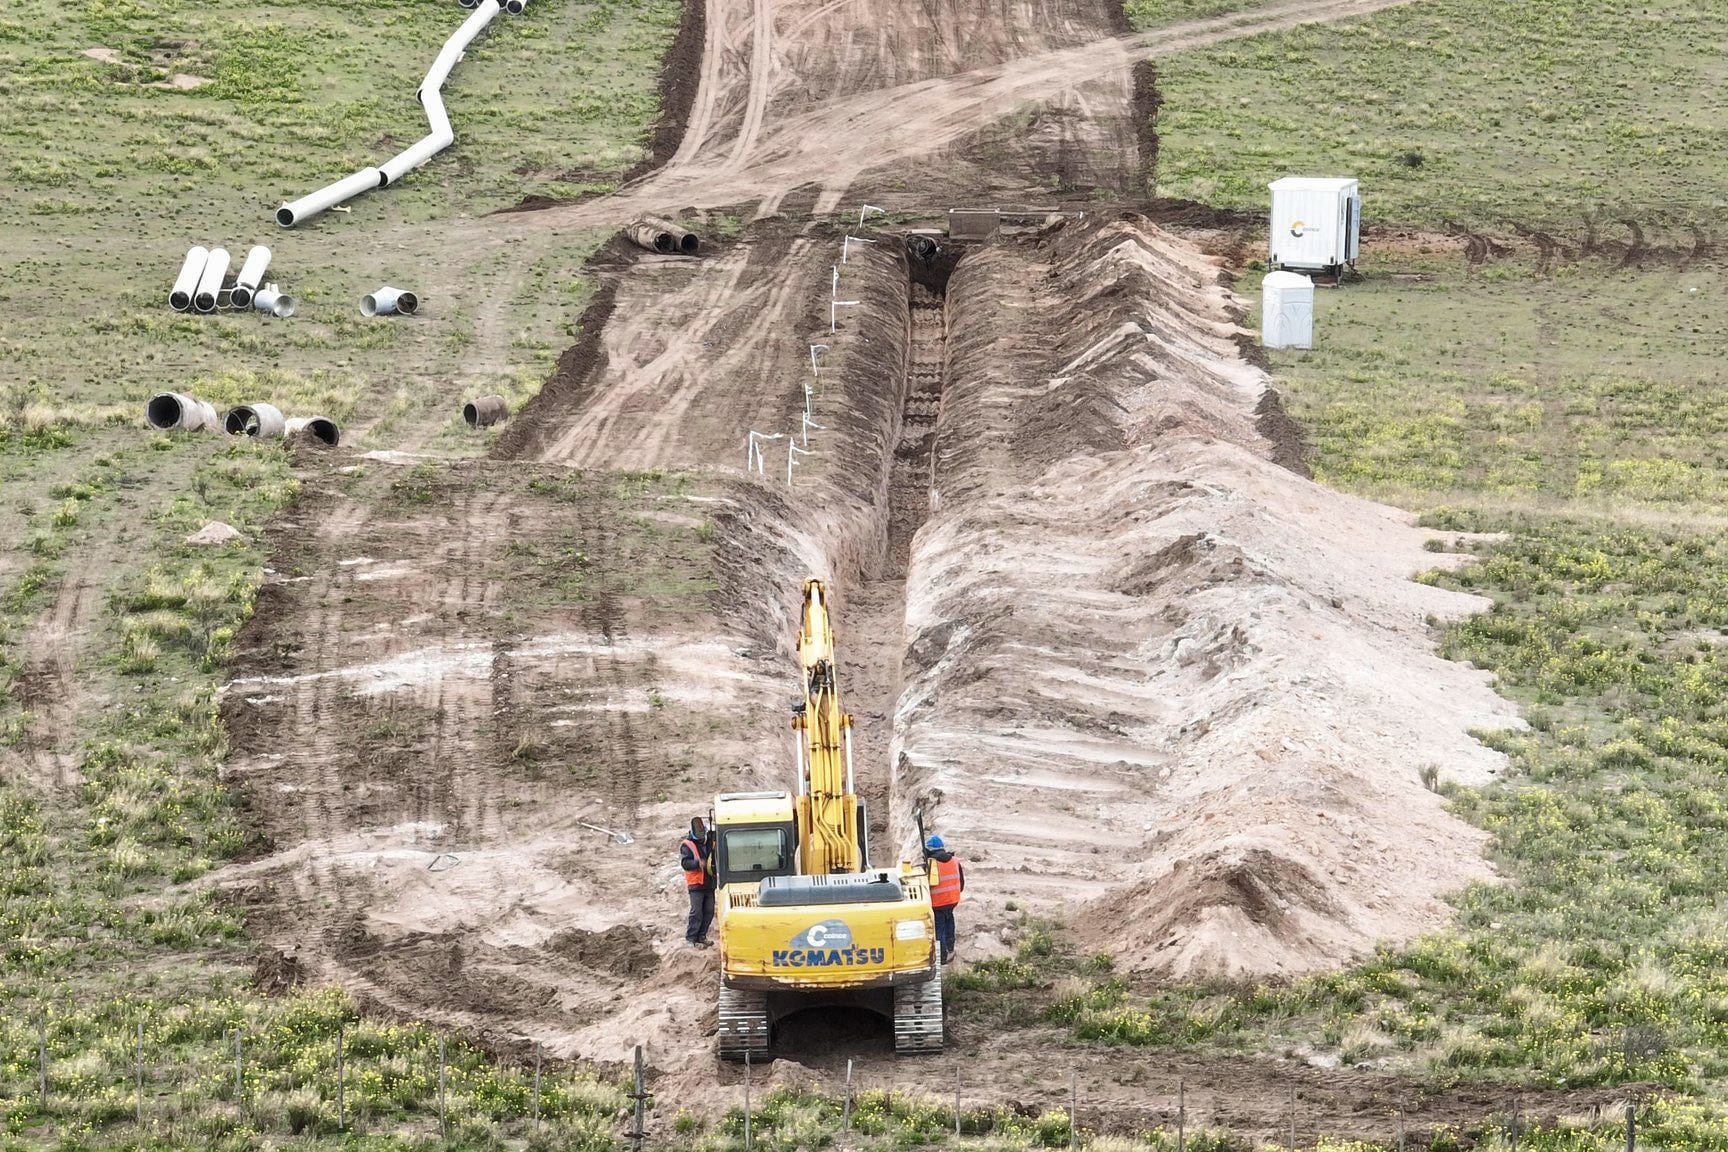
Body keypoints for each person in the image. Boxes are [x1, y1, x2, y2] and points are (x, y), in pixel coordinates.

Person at [925, 834, 964, 964]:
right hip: (952, 900)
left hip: (937, 903)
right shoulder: (955, 861)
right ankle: (950, 947)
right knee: (950, 921)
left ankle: (941, 957)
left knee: (939, 929)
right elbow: (961, 882)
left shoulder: (931, 864)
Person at [681, 817, 716, 948]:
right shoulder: (687, 845)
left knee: (709, 911)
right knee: (696, 912)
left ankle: (702, 936)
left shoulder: (709, 840)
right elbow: (685, 863)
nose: (701, 839)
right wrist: (697, 863)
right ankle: (691, 938)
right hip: (696, 884)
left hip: (709, 882)